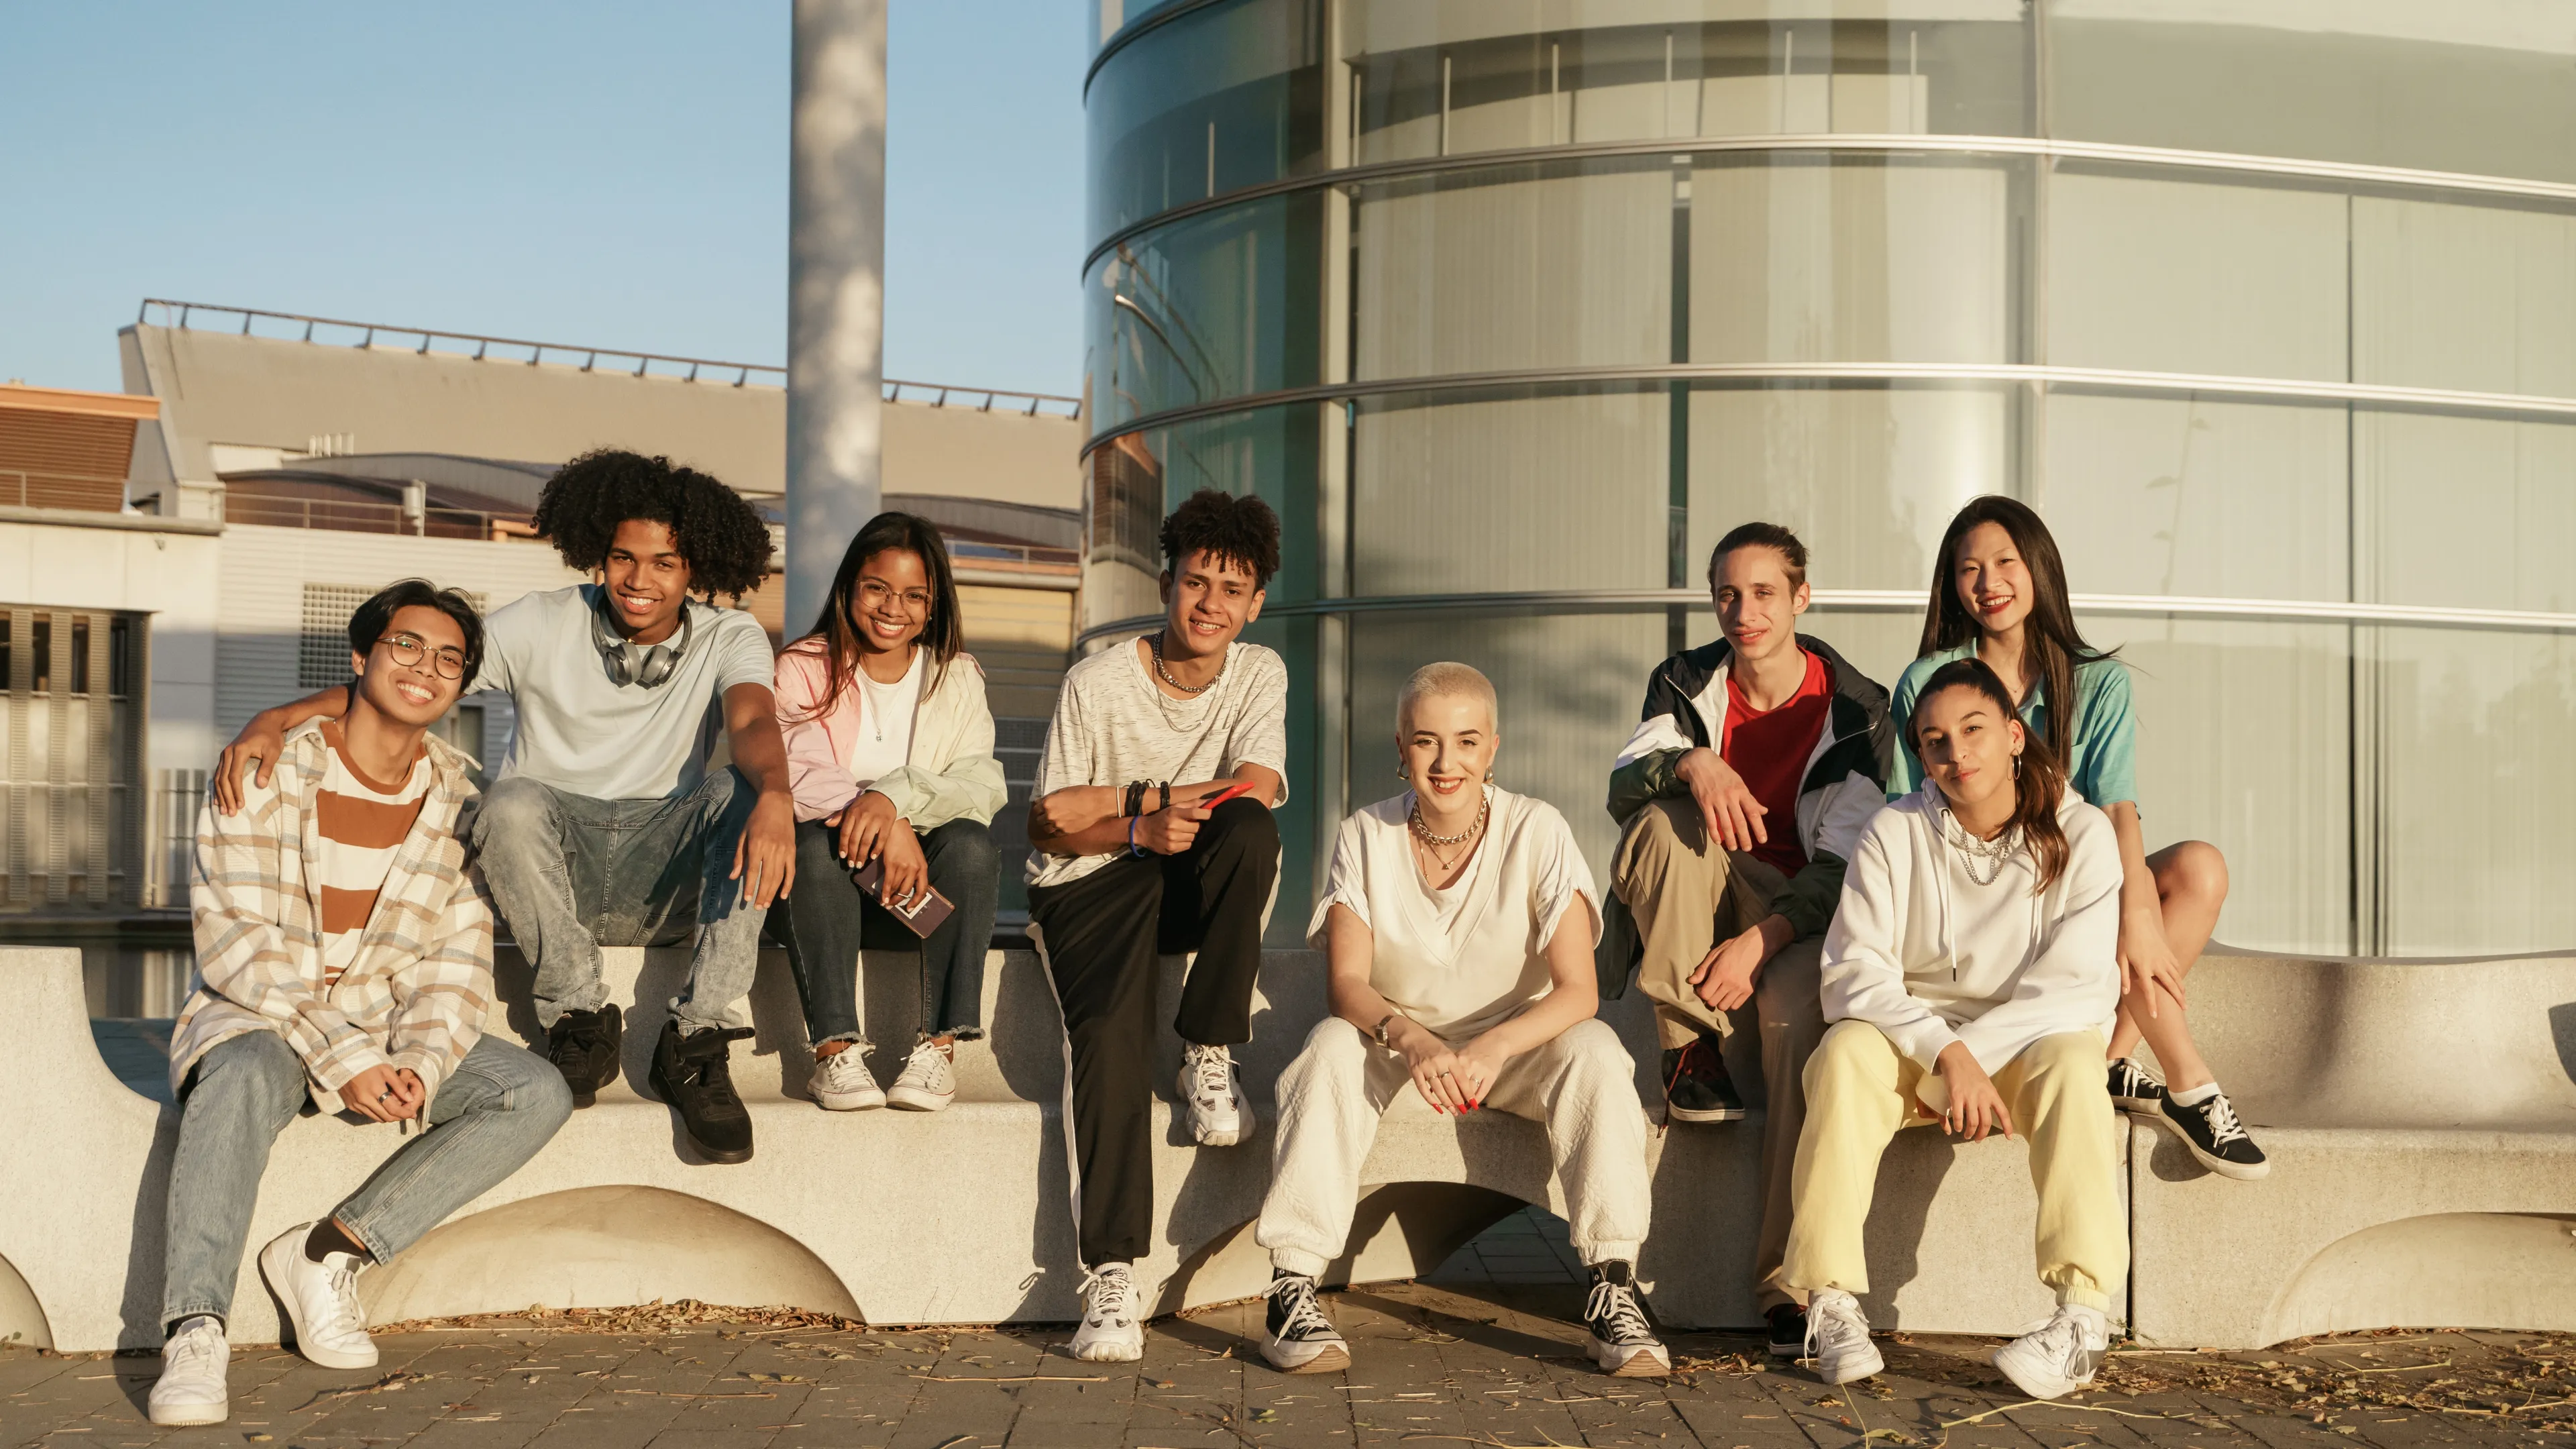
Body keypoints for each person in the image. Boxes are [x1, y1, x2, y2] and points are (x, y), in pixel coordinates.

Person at [212, 450, 796, 1167]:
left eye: (664, 563)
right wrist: (279, 715)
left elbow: (753, 727)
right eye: (621, 558)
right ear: (595, 555)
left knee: (742, 790)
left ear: (695, 567)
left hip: (660, 867)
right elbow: (415, 685)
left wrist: (775, 793)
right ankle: (580, 1015)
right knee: (512, 800)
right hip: (549, 872)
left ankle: (698, 1040)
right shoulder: (539, 622)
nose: (639, 580)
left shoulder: (728, 635)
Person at [150, 582, 572, 1428]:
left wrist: (417, 1062)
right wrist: (344, 1058)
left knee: (534, 1092)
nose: (427, 668)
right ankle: (194, 1330)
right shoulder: (267, 766)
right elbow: (233, 941)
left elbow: (455, 964)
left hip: (384, 1028)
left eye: (450, 659)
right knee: (236, 1073)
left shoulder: (460, 798)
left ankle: (329, 1252)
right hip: (262, 1017)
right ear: (362, 657)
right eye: (407, 646)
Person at [1256, 663, 1670, 1379]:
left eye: (1466, 741)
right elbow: (1347, 985)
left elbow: (1578, 992)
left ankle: (1613, 1287)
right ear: (1401, 747)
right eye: (1426, 742)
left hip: (1513, 1049)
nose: (1447, 763)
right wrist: (1409, 1038)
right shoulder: (1365, 832)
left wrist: (1494, 1045)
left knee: (1598, 1051)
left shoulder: (1537, 828)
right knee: (1327, 1051)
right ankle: (1292, 1287)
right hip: (1399, 1046)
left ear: (1493, 748)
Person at [1889, 496, 2263, 1180]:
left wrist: (2141, 912)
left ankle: (2110, 1057)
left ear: (2039, 567)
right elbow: (1905, 818)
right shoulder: (1928, 684)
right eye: (1968, 568)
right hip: (1973, 903)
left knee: (2201, 869)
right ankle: (2192, 1084)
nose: (1988, 582)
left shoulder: (2096, 681)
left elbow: (2119, 810)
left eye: (2005, 561)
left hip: (2073, 892)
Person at [1785, 657, 2127, 1401]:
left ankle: (2082, 1319)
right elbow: (1851, 974)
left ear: (2013, 734)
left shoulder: (2084, 833)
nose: (1955, 753)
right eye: (1935, 740)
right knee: (1843, 1053)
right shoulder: (1893, 831)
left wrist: (1973, 1058)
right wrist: (1945, 1052)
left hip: (2027, 1045)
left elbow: (2077, 987)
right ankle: (1832, 1302)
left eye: (1974, 730)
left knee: (2076, 1064)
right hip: (1916, 1040)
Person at [1599, 522, 1891, 1357]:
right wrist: (1695, 763)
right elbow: (1626, 787)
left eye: (1764, 592)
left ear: (1802, 597)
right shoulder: (1686, 680)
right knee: (1663, 823)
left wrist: (1762, 941)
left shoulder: (1856, 709)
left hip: (1797, 915)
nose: (1743, 610)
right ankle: (1689, 1050)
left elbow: (1846, 866)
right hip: (1698, 889)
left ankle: (1788, 1289)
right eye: (1728, 592)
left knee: (1801, 1028)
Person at [1024, 488, 1289, 1363]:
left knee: (1251, 829)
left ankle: (1208, 1051)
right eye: (1197, 582)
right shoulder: (1096, 683)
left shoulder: (1259, 673)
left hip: (1180, 874)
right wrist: (1137, 818)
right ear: (1167, 583)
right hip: (1091, 882)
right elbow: (1049, 822)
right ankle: (1108, 1276)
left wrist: (1158, 813)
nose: (1211, 603)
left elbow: (1258, 788)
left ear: (1254, 604)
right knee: (1104, 1033)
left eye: (1233, 588)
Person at [769, 512, 1004, 1112]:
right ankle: (834, 1054)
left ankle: (938, 1049)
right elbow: (797, 767)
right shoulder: (802, 666)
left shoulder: (957, 676)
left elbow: (982, 783)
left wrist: (895, 796)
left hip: (920, 900)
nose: (892, 606)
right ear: (850, 587)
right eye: (877, 587)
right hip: (825, 894)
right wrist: (883, 820)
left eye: (913, 594)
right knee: (814, 843)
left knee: (972, 844)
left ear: (932, 606)